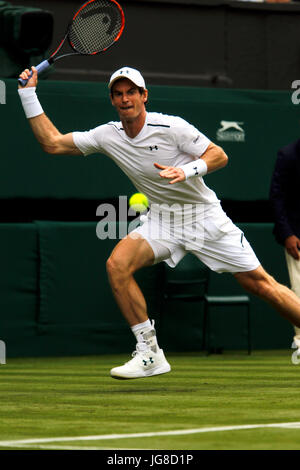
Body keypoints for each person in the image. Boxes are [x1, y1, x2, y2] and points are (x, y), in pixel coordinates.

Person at [18, 65, 300, 380]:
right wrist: (28, 95)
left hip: (204, 217)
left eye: (131, 92)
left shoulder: (171, 127)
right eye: (119, 94)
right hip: (163, 219)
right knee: (117, 265)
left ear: (144, 96)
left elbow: (219, 155)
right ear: (113, 100)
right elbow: (53, 143)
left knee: (261, 285)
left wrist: (187, 171)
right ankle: (150, 352)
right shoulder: (107, 135)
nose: (125, 99)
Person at [270, 139, 300, 355]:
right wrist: (288, 233)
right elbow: (277, 197)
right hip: (297, 236)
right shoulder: (289, 154)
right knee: (298, 290)